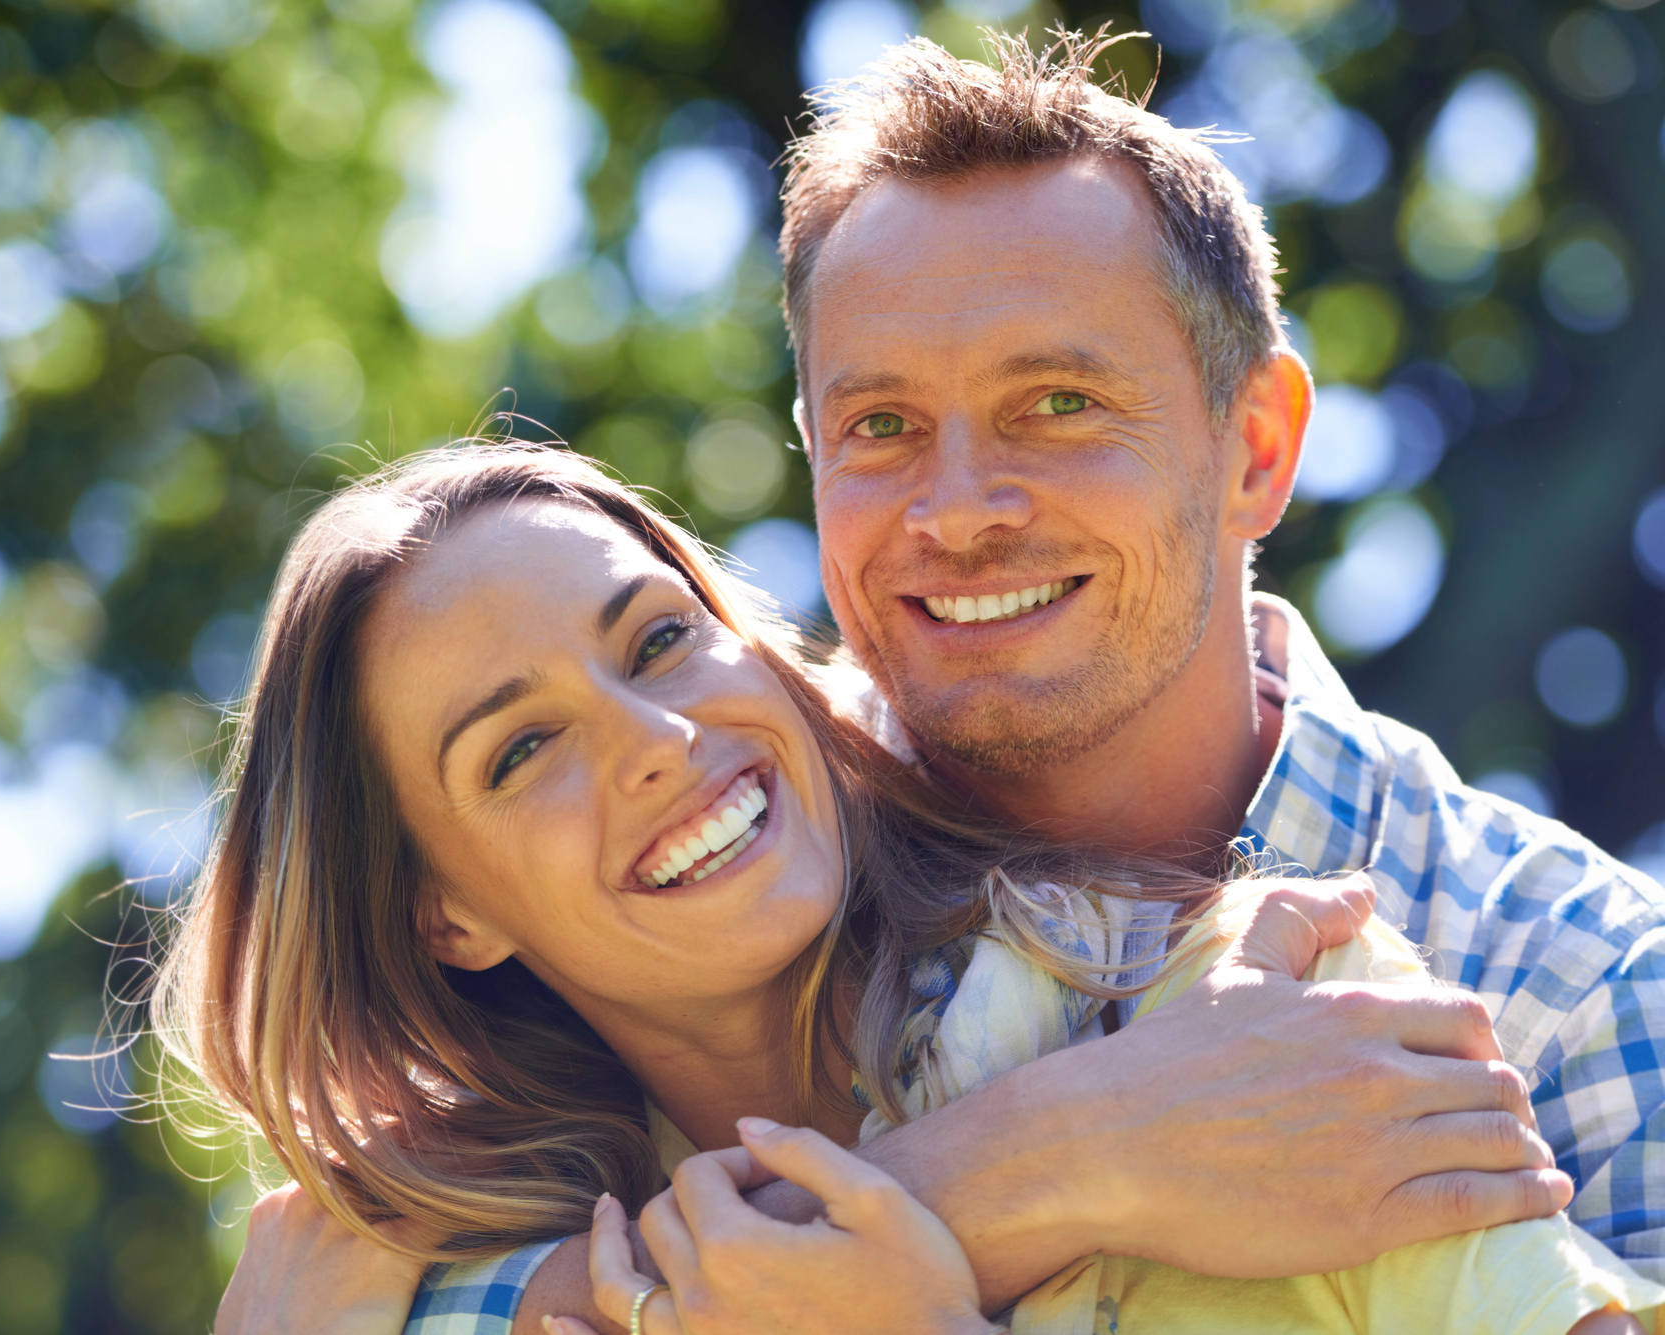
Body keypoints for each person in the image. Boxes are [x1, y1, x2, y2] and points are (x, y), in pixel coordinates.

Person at [354, 28, 1665, 1334]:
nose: (961, 511)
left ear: (1256, 448)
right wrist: (1075, 1150)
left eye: (1058, 404)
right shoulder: (715, 868)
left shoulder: (1581, 991)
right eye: (883, 427)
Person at [163, 443, 1657, 1335]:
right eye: (524, 748)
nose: (658, 745)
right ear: (445, 913)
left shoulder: (1262, 1020)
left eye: (661, 642)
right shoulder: (416, 1292)